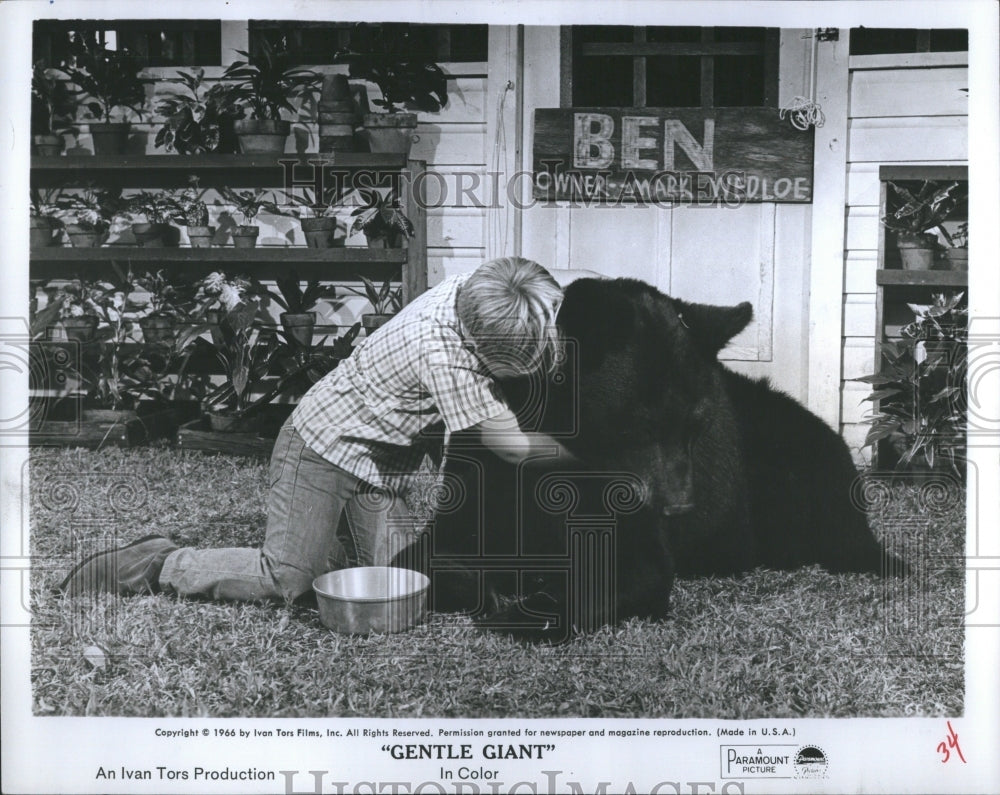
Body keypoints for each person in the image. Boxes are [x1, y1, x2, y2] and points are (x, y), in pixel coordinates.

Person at [59, 257, 587, 602]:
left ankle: (320, 544)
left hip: (379, 464)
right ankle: (156, 561)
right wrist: (597, 455)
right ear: (479, 349)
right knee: (285, 579)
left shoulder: (477, 288)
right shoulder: (447, 355)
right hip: (321, 446)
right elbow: (515, 448)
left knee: (404, 586)